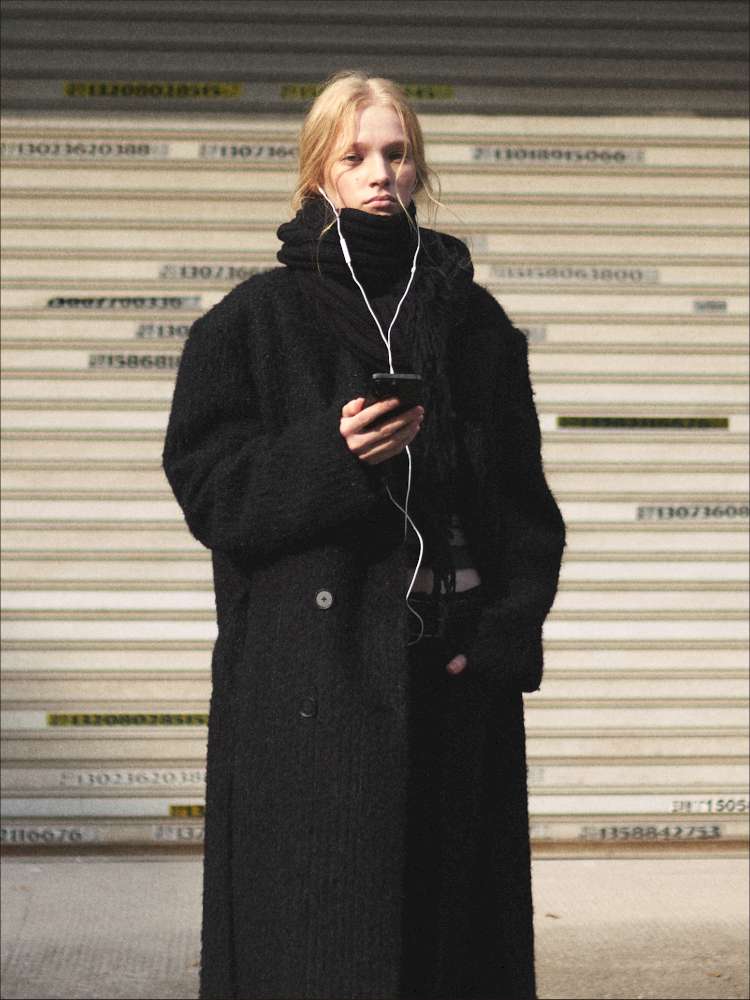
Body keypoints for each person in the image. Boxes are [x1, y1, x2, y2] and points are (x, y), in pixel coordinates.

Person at [163, 70, 565, 1000]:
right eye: (355, 156)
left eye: (396, 153)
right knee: (317, 947)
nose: (380, 172)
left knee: (452, 951)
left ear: (418, 168)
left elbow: (524, 510)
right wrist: (332, 455)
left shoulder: (474, 323)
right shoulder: (252, 322)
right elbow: (211, 493)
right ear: (319, 173)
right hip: (314, 689)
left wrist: (503, 635)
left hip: (454, 679)